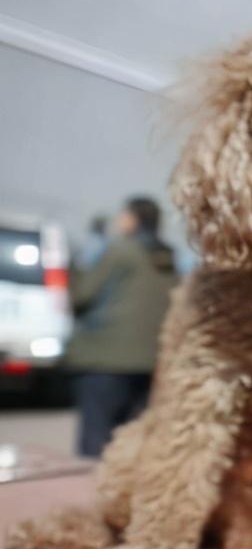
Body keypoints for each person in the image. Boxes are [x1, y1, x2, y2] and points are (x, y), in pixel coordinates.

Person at [64, 196, 178, 457]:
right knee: (130, 443)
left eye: (123, 215)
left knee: (95, 443)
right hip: (149, 360)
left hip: (105, 360)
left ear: (134, 220)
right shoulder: (167, 257)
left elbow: (81, 295)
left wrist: (76, 263)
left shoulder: (119, 250)